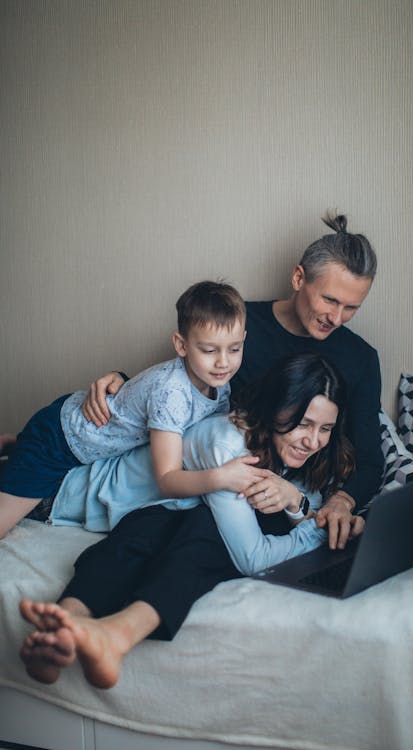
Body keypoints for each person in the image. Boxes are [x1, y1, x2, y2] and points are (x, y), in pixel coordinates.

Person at [19, 353, 361, 689]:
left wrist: (297, 502)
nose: (312, 441)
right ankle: (75, 625)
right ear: (275, 407)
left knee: (193, 525)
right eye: (303, 424)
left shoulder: (303, 452)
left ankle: (71, 628)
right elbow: (252, 558)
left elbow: (310, 501)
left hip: (149, 514)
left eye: (325, 428)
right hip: (59, 492)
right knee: (197, 528)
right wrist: (315, 532)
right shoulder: (227, 444)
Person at [81, 212, 383, 547]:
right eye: (330, 300)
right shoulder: (240, 327)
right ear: (299, 278)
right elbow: (178, 387)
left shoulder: (361, 360)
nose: (336, 318)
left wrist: (342, 501)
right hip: (222, 479)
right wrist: (122, 382)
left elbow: (370, 459)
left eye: (351, 308)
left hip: (289, 495)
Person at [0, 280, 265, 538]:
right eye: (209, 350)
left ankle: (15, 443)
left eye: (234, 349)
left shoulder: (220, 383)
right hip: (60, 439)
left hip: (85, 433)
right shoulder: (171, 393)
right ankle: (24, 445)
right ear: (181, 345)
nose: (223, 362)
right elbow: (167, 480)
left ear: (244, 339)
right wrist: (220, 478)